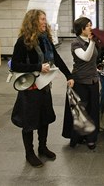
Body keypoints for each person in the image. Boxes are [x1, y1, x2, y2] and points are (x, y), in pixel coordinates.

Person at [11, 9, 74, 168]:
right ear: (33, 21)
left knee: (44, 118)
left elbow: (57, 59)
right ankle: (29, 153)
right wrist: (38, 66)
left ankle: (42, 147)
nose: (45, 22)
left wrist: (69, 75)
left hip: (44, 86)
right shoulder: (23, 41)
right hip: (30, 88)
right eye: (42, 19)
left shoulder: (45, 39)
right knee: (29, 122)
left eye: (45, 19)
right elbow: (15, 64)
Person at [62, 17, 100, 149]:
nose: (91, 27)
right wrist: (92, 42)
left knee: (93, 111)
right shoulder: (76, 43)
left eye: (91, 25)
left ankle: (91, 138)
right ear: (81, 28)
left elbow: (94, 58)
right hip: (81, 81)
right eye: (88, 26)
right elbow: (85, 57)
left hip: (93, 80)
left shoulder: (91, 41)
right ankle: (77, 138)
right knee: (81, 112)